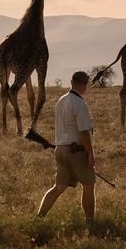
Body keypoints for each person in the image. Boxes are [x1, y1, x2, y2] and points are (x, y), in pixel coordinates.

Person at [36, 71, 96, 226]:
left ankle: (39, 218)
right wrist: (90, 153)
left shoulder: (61, 100)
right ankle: (90, 222)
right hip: (76, 152)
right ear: (84, 85)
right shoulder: (80, 104)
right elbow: (83, 132)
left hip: (60, 150)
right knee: (88, 186)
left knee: (59, 187)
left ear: (72, 81)